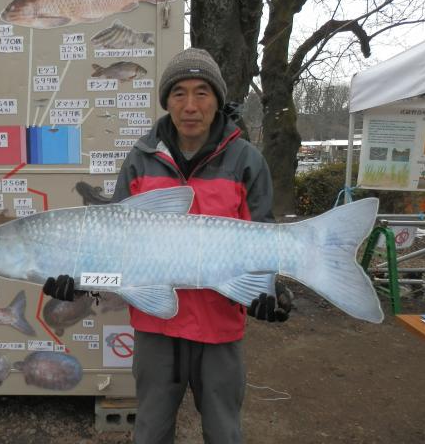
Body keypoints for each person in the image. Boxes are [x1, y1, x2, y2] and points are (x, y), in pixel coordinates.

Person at [44, 48, 291, 443]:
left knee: (224, 431)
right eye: (179, 93)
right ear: (167, 101)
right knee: (151, 431)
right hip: (156, 326)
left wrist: (270, 285)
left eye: (201, 93)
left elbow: (261, 231)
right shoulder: (142, 159)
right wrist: (81, 279)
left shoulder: (247, 160)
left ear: (217, 100)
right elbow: (116, 239)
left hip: (219, 324)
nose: (190, 105)